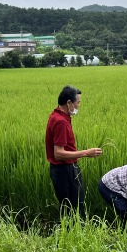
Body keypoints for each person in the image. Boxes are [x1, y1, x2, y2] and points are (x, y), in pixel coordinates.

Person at [45, 85, 102, 218]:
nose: (79, 105)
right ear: (69, 103)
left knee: (68, 208)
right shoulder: (61, 122)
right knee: (75, 209)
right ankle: (73, 234)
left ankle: (69, 234)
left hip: (61, 170)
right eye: (78, 102)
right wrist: (87, 153)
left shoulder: (57, 116)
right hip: (65, 171)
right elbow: (58, 154)